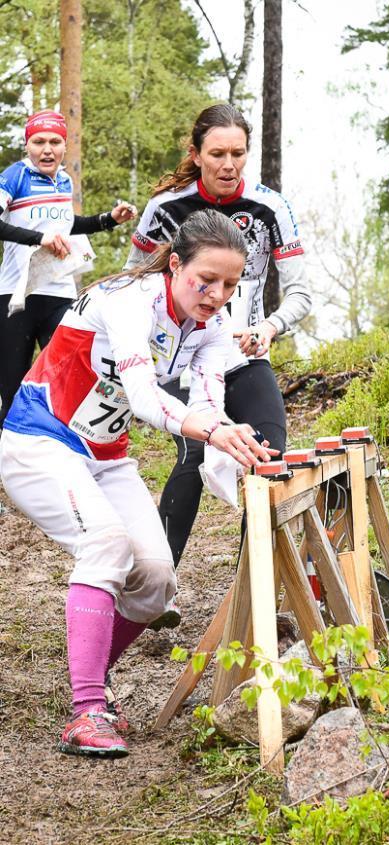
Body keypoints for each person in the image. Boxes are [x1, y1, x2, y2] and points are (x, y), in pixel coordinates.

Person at [0, 209, 276, 758]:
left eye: (229, 285)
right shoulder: (130, 298)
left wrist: (234, 439)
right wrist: (208, 428)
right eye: (206, 281)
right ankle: (86, 712)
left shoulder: (212, 326)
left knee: (154, 580)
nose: (217, 295)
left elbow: (206, 403)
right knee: (107, 542)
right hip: (39, 439)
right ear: (175, 265)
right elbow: (147, 399)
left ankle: (91, 677)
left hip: (105, 455)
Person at [126, 103, 312, 626]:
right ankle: (153, 594)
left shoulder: (271, 207)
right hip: (183, 361)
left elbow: (300, 295)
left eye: (238, 153)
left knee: (268, 458)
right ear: (196, 155)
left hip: (246, 355)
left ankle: (249, 598)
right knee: (194, 456)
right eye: (217, 154)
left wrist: (270, 326)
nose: (229, 164)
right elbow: (131, 284)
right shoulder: (166, 206)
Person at [0, 108, 137, 428]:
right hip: (16, 297)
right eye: (38, 142)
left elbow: (65, 224)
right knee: (12, 388)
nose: (47, 149)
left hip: (60, 293)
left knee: (67, 378)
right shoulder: (14, 176)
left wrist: (107, 220)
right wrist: (40, 238)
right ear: (27, 145)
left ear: (65, 146)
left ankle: (59, 452)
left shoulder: (64, 179)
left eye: (54, 142)